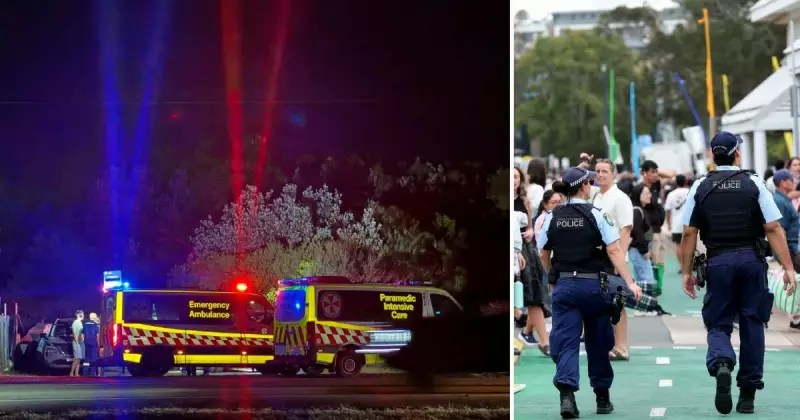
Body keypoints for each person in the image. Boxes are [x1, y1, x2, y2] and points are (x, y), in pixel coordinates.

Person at [680, 131, 797, 415]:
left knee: (718, 323)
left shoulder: (700, 186)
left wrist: (686, 272)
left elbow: (688, 232)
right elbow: (773, 228)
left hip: (718, 262)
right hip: (751, 260)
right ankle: (747, 394)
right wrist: (788, 267)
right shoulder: (754, 182)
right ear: (736, 153)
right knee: (753, 324)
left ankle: (721, 361)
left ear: (712, 155)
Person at [537, 166, 642, 419]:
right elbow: (615, 251)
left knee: (566, 343)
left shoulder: (552, 216)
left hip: (565, 288)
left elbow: (543, 253)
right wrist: (629, 282)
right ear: (584, 186)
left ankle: (567, 398)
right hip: (596, 287)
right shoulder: (598, 214)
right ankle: (602, 398)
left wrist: (553, 276)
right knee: (599, 342)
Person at [589, 158, 635, 361]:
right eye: (597, 171)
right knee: (600, 302)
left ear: (613, 174)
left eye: (604, 171)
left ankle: (622, 346)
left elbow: (625, 231)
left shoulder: (620, 198)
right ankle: (607, 344)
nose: (599, 174)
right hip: (597, 256)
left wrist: (621, 260)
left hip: (614, 256)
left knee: (618, 302)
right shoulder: (595, 196)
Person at [770, 169, 800, 330]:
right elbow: (779, 230)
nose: (793, 182)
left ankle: (796, 317)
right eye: (790, 180)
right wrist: (784, 255)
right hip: (791, 248)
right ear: (783, 183)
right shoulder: (780, 202)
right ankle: (796, 318)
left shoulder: (783, 199)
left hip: (792, 247)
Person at [665, 174, 690, 273]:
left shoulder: (671, 194)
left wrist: (668, 223)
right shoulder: (690, 192)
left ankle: (682, 266)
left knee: (678, 245)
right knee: (689, 245)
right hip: (689, 223)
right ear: (685, 182)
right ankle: (689, 265)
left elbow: (668, 210)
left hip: (676, 224)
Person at [82, 312, 100, 377]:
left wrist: (84, 341)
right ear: (94, 317)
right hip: (93, 343)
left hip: (86, 343)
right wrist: (98, 342)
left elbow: (82, 335)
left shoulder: (84, 324)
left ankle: (85, 373)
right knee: (94, 358)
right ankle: (92, 373)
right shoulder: (95, 325)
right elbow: (97, 335)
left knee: (87, 358)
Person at [70, 310, 84, 377]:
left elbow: (80, 332)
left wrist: (82, 339)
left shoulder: (80, 322)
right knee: (76, 358)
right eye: (82, 314)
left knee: (79, 358)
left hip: (80, 342)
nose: (83, 315)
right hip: (76, 342)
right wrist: (77, 342)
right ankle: (71, 373)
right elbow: (74, 333)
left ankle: (76, 373)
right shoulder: (75, 322)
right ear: (78, 315)